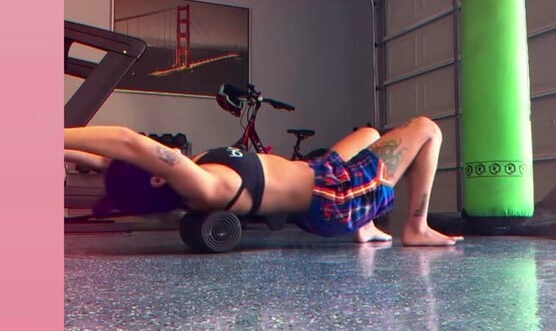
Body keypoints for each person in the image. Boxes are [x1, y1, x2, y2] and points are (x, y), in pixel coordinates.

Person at [64, 117, 463, 247]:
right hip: (334, 196)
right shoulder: (202, 185)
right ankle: (416, 227)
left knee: (370, 134)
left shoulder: (193, 173)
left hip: (319, 175)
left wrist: (66, 152)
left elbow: (106, 160)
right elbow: (125, 141)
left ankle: (366, 225)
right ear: (156, 176)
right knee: (426, 129)